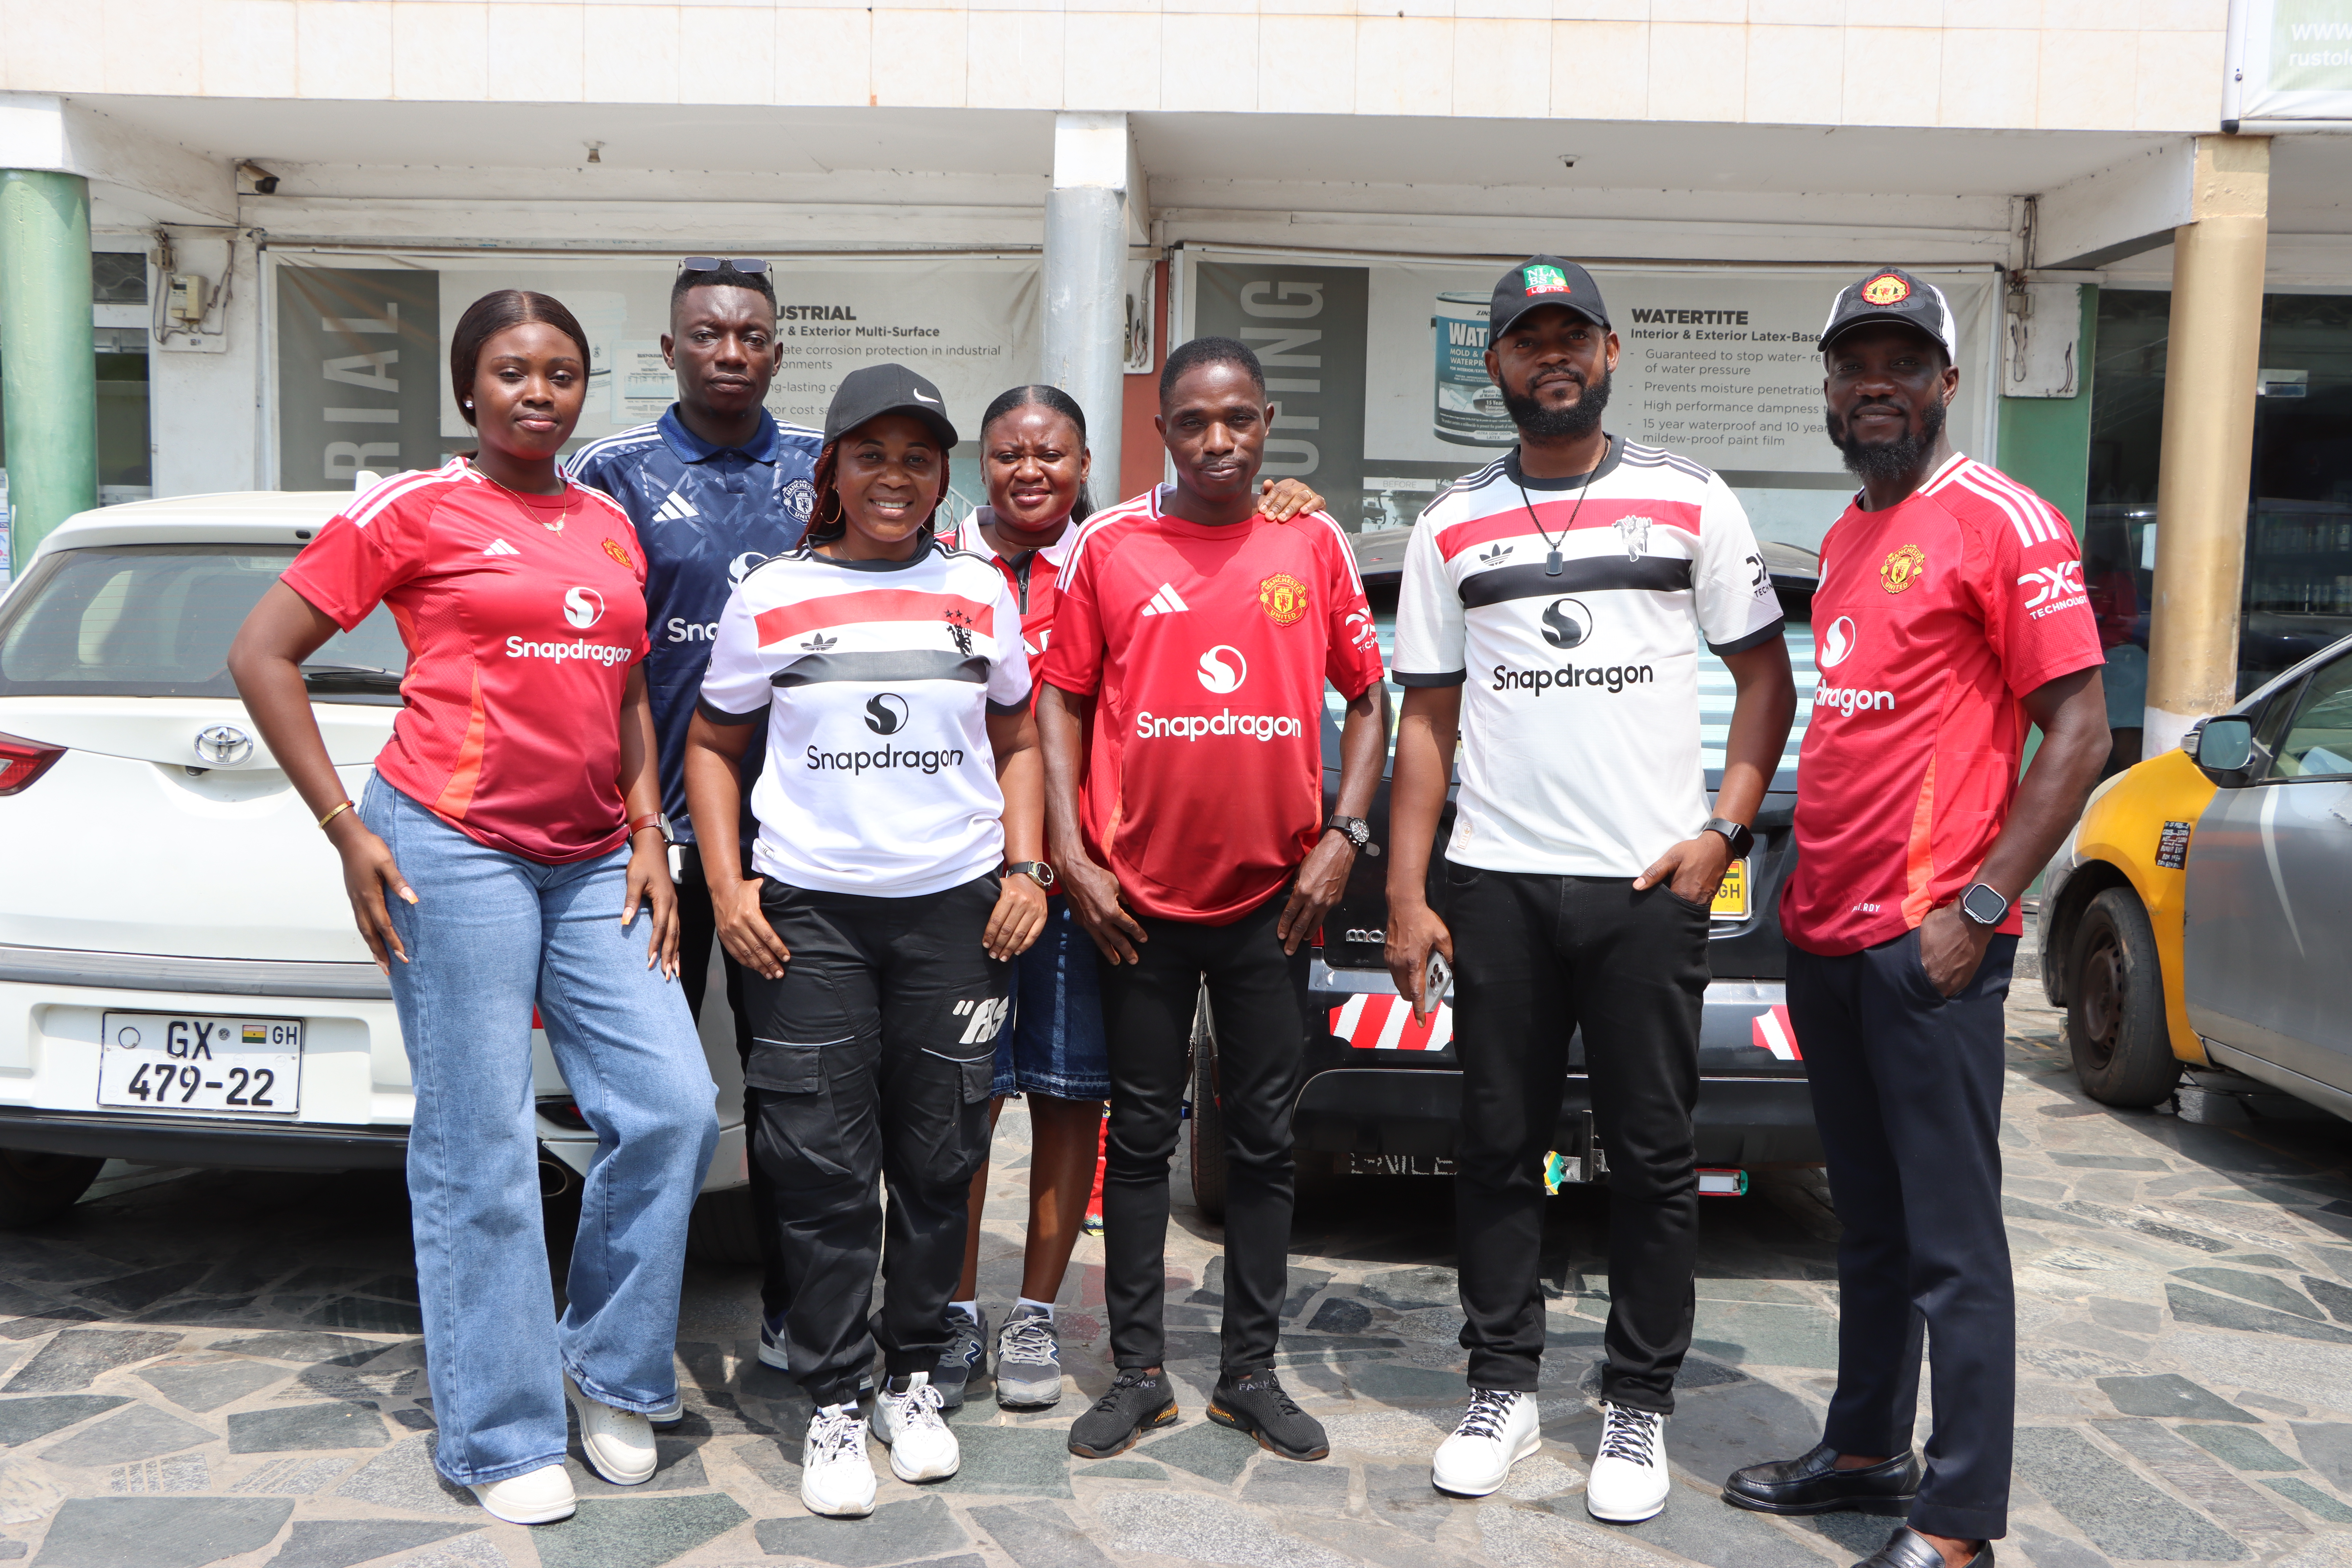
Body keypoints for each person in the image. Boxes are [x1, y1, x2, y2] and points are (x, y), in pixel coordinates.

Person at [227, 289, 721, 1526]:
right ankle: (499, 1434)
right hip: (449, 849)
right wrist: (345, 829)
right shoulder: (419, 507)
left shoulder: (608, 525)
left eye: (560, 372)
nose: (538, 392)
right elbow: (261, 653)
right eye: (511, 372)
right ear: (468, 391)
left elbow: (625, 696)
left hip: (598, 855)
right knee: (481, 1144)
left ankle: (609, 1369)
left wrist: (651, 836)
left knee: (673, 1107)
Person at [1381, 256, 1796, 1524]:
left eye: (1573, 337)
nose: (1550, 357)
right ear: (1494, 367)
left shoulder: (1688, 500)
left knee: (1655, 1156)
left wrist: (1721, 836)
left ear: (1611, 354)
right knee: (1499, 1148)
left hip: (1645, 885)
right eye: (1525, 340)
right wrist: (1409, 891)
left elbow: (1766, 680)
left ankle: (1637, 1404)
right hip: (1498, 884)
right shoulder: (1450, 523)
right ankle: (1499, 1385)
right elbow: (1427, 728)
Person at [1719, 269, 2108, 1568]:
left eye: (1900, 362)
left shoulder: (2005, 522)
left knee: (1953, 1246)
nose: (1873, 383)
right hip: (1830, 938)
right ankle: (1868, 1447)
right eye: (1851, 365)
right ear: (1828, 390)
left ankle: (1957, 1525)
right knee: (1869, 1226)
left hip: (1930, 948)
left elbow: (2081, 732)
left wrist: (1983, 908)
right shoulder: (1843, 538)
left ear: (1947, 381)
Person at [683, 362, 1048, 1519]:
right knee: (825, 1170)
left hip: (956, 914)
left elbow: (1023, 739)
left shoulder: (981, 592)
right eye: (871, 455)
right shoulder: (772, 596)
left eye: (917, 457)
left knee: (942, 1162)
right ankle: (836, 1398)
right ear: (830, 471)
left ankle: (912, 1378)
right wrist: (730, 885)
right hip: (810, 919)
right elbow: (709, 744)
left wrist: (1028, 868)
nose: (895, 476)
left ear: (943, 475)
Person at [933, 387, 1327, 1414]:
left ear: (1087, 460)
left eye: (1053, 454)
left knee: (1077, 1096)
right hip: (955, 870)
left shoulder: (1108, 549)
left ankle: (1038, 1315)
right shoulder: (933, 550)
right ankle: (953, 1310)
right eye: (1010, 452)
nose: (1031, 471)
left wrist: (1060, 856)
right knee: (963, 1101)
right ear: (980, 460)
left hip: (1084, 891)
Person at [1039, 337, 1389, 1465]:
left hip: (1272, 904)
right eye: (1193, 422)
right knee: (1137, 1140)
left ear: (1268, 418)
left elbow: (1371, 702)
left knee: (1264, 1141)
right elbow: (1059, 706)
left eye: (1238, 419)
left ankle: (1250, 1374)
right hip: (1134, 902)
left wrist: (1345, 834)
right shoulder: (1111, 544)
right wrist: (1073, 858)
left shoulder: (1310, 537)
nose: (1218, 442)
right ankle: (1137, 1374)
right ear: (1166, 432)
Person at [565, 257, 819, 1356]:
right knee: (650, 1103)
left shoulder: (824, 468)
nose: (730, 353)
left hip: (800, 843)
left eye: (751, 336)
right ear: (669, 352)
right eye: (708, 336)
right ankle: (633, 1327)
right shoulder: (609, 472)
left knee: (790, 1092)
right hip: (653, 844)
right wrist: (636, 826)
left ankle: (793, 1312)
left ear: (775, 348)